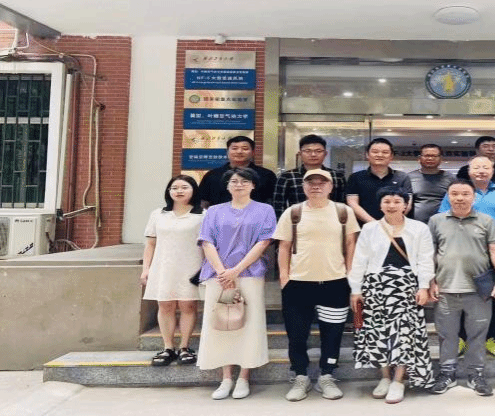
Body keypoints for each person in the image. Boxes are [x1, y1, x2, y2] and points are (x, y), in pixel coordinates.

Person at [275, 169, 360, 402]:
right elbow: (283, 246)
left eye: (322, 183)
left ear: (331, 187)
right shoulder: (293, 212)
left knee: (332, 334)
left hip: (335, 283)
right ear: (303, 187)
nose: (316, 186)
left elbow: (351, 244)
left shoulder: (343, 212)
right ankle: (300, 376)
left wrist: (350, 274)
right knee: (297, 335)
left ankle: (327, 375)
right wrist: (284, 277)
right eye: (310, 182)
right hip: (298, 285)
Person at [349, 187, 435, 404]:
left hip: (406, 287)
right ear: (380, 205)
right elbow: (359, 260)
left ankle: (398, 380)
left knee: (404, 333)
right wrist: (356, 290)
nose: (392, 205)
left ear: (406, 205)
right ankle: (385, 377)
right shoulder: (369, 228)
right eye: (387, 201)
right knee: (377, 332)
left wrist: (423, 286)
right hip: (375, 287)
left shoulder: (419, 228)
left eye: (397, 201)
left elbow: (426, 259)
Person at [196, 167, 276, 400]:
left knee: (249, 324)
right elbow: (206, 241)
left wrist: (236, 270)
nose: (239, 184)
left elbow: (264, 242)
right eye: (234, 181)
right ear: (227, 186)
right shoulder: (214, 211)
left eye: (244, 181)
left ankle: (244, 377)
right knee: (221, 324)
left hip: (250, 274)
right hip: (218, 275)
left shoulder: (265, 210)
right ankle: (226, 378)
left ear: (253, 185)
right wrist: (223, 272)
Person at [428, 179, 495, 397]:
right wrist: (431, 281)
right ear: (448, 197)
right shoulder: (436, 221)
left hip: (479, 290)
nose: (460, 198)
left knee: (477, 335)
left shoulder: (486, 220)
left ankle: (476, 374)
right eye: (455, 194)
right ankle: (447, 373)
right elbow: (430, 253)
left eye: (465, 194)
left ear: (473, 197)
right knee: (447, 335)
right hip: (445, 288)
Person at [438, 155, 495, 356]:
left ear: (492, 171)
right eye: (476, 167)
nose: (481, 171)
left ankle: (491, 338)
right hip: (462, 251)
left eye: (485, 167)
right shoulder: (458, 192)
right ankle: (461, 339)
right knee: (461, 296)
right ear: (469, 171)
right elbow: (444, 218)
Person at [141, 175, 205, 367]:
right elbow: (150, 244)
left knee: (188, 306)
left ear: (193, 190)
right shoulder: (158, 214)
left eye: (184, 187)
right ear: (168, 191)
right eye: (174, 187)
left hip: (191, 266)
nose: (179, 191)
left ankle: (185, 347)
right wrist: (146, 269)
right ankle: (168, 347)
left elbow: (208, 245)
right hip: (163, 267)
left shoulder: (203, 215)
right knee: (165, 305)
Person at [273, 134, 346, 217]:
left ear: (325, 153)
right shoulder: (287, 177)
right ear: (300, 153)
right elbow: (278, 206)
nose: (313, 154)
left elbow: (342, 204)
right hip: (298, 221)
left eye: (318, 151)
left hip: (331, 220)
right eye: (308, 151)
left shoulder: (337, 176)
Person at [346, 137, 413, 224]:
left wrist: (391, 222)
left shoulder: (402, 177)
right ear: (367, 155)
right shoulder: (355, 177)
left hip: (395, 226)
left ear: (391, 156)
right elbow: (352, 203)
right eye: (375, 152)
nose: (380, 155)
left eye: (385, 152)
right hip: (364, 227)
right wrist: (374, 224)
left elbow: (407, 203)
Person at [198, 136, 277, 208]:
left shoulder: (267, 175)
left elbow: (273, 201)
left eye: (245, 149)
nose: (239, 151)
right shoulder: (212, 175)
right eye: (234, 148)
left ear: (253, 152)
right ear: (227, 151)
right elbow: (203, 202)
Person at [407, 144, 455, 223]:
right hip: (416, 224)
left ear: (440, 159)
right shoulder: (409, 177)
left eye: (434, 156)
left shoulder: (451, 178)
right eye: (426, 155)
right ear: (419, 158)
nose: (430, 158)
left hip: (444, 223)